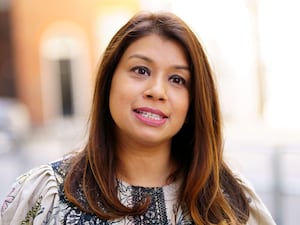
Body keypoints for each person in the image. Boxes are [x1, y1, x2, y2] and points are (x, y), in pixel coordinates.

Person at [0, 11, 276, 225]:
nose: (157, 91)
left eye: (177, 79)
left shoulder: (231, 201)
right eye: (141, 70)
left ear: (195, 102)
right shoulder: (45, 195)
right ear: (109, 81)